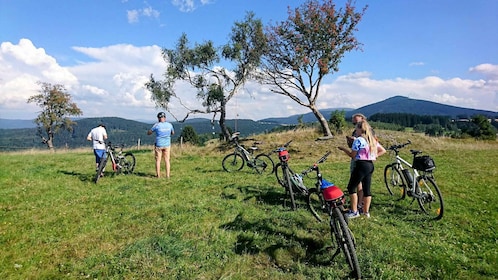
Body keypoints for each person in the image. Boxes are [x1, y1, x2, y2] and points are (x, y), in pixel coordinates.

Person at [338, 120, 386, 218]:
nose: (356, 131)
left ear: (360, 129)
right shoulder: (372, 139)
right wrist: (374, 155)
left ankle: (354, 211)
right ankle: (365, 212)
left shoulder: (359, 140)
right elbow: (382, 150)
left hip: (361, 165)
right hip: (370, 165)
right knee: (367, 189)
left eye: (356, 129)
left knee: (351, 187)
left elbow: (353, 155)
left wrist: (344, 149)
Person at [345, 113, 368, 212]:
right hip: (358, 159)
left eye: (356, 120)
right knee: (358, 182)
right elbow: (354, 147)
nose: (355, 122)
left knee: (355, 184)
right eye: (354, 121)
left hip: (361, 160)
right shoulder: (355, 131)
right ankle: (360, 204)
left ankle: (358, 205)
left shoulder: (368, 131)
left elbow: (370, 143)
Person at [148, 112, 175, 178]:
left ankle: (158, 175)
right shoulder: (169, 125)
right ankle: (168, 175)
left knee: (158, 160)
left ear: (158, 118)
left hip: (159, 145)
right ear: (165, 118)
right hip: (167, 145)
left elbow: (149, 132)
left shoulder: (156, 125)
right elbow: (173, 133)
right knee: (167, 160)